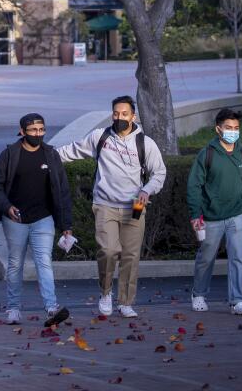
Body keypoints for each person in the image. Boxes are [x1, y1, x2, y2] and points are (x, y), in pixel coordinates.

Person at [55, 95, 167, 318]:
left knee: (130, 255)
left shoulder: (145, 143)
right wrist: (46, 155)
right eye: (116, 113)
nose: (120, 117)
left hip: (134, 206)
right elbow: (73, 150)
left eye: (124, 114)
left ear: (133, 116)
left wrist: (146, 190)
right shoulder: (101, 137)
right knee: (107, 251)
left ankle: (126, 302)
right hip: (105, 204)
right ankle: (105, 293)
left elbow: (159, 173)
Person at [0, 113, 73, 328]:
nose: (38, 134)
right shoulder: (10, 154)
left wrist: (66, 225)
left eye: (41, 130)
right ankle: (13, 308)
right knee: (15, 263)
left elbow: (62, 191)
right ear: (23, 131)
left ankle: (51, 307)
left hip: (43, 218)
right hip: (15, 219)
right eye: (33, 130)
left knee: (44, 261)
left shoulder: (50, 155)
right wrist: (7, 207)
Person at [187, 108, 242, 315]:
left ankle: (237, 301)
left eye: (236, 128)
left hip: (237, 216)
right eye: (228, 128)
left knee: (238, 258)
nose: (233, 131)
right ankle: (198, 294)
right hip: (211, 217)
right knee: (206, 258)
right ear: (218, 129)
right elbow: (194, 186)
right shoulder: (206, 153)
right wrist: (195, 214)